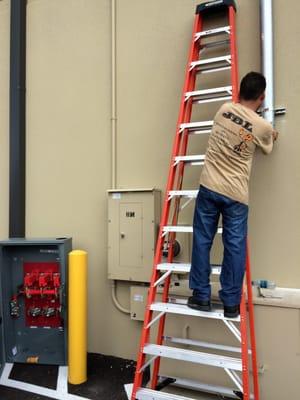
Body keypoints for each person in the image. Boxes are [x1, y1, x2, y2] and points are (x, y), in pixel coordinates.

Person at [187, 71, 278, 318]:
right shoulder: (262, 127)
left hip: (209, 186)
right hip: (236, 195)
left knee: (203, 240)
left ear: (239, 91)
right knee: (235, 247)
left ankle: (201, 296)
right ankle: (230, 304)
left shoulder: (223, 110)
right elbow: (268, 147)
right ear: (261, 97)